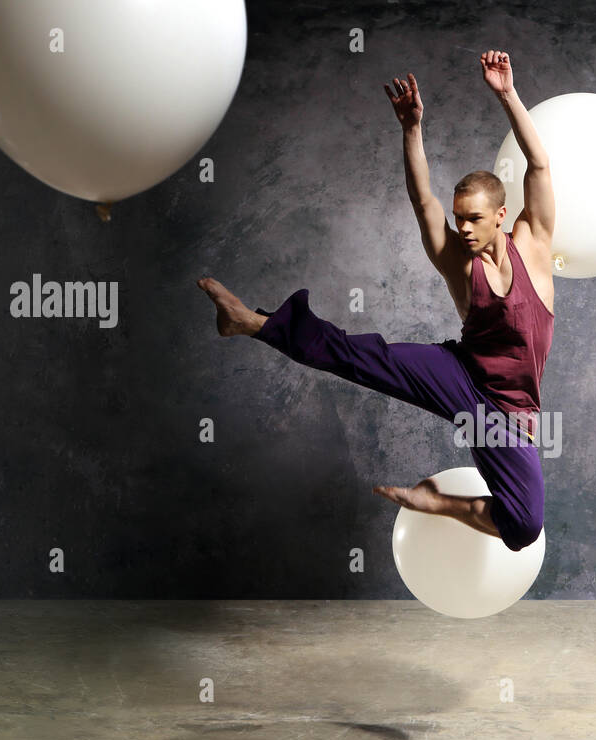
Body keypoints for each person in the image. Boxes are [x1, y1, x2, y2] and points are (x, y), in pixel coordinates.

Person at [196, 50, 555, 552]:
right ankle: (250, 322)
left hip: (506, 415)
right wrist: (412, 128)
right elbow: (422, 200)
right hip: (461, 374)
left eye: (474, 218)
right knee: (362, 357)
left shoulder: (535, 246)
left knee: (523, 528)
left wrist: (506, 94)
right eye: (459, 218)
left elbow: (538, 163)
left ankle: (439, 502)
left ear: (501, 215)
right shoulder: (458, 262)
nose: (464, 228)